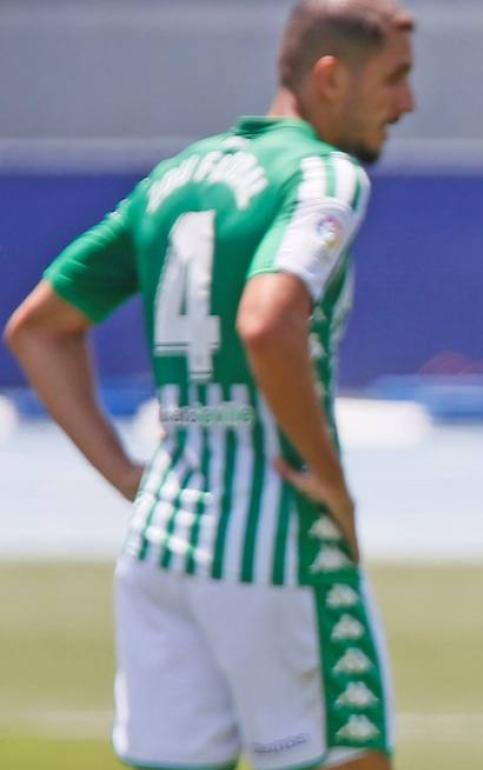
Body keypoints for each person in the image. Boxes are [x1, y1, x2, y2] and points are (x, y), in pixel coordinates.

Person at [3, 2, 415, 769]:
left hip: (161, 546)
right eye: (395, 80)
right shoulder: (325, 175)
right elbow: (267, 322)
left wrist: (126, 475)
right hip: (278, 545)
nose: (407, 105)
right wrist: (332, 484)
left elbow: (38, 329)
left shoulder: (177, 179)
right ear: (329, 78)